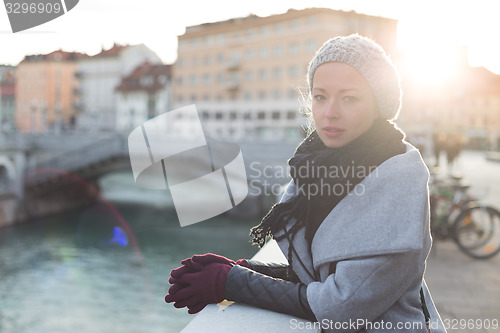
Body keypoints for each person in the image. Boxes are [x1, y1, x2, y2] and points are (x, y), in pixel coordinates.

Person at [165, 34, 446, 333]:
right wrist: (246, 269)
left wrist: (231, 282)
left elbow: (343, 304)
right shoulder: (316, 167)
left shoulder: (397, 179)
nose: (329, 112)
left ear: (379, 104)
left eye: (349, 98)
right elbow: (318, 275)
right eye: (320, 96)